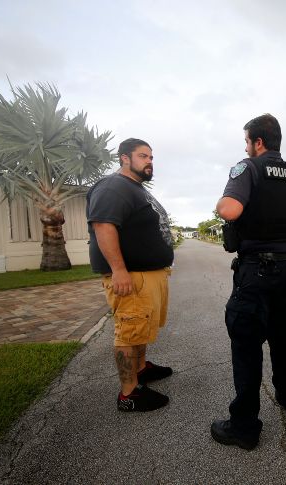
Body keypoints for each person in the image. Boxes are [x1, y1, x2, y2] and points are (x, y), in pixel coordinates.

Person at [211, 113, 286, 450]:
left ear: (258, 142)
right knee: (285, 338)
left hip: (256, 271)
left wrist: (221, 202)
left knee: (246, 344)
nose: (245, 148)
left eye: (247, 142)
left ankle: (244, 427)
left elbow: (230, 210)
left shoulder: (247, 168)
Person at [86, 137, 175, 412]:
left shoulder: (135, 188)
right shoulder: (113, 186)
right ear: (124, 158)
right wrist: (119, 270)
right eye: (143, 156)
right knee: (129, 331)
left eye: (151, 157)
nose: (150, 161)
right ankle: (129, 393)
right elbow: (103, 225)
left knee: (140, 327)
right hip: (131, 276)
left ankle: (141, 369)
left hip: (148, 275)